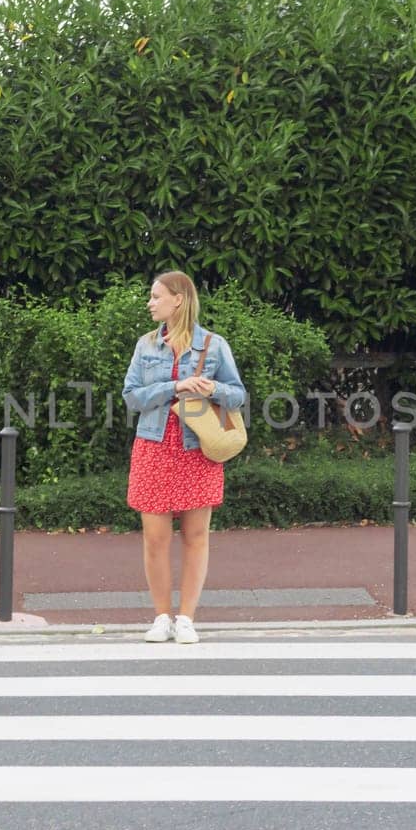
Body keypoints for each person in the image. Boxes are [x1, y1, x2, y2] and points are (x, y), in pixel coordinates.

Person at [120, 271, 247, 644]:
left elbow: (237, 395)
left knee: (196, 536)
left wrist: (213, 388)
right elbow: (131, 397)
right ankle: (162, 616)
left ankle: (187, 617)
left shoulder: (213, 344)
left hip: (198, 450)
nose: (150, 302)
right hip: (154, 445)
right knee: (155, 538)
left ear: (178, 299)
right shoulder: (145, 346)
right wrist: (174, 386)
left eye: (156, 296)